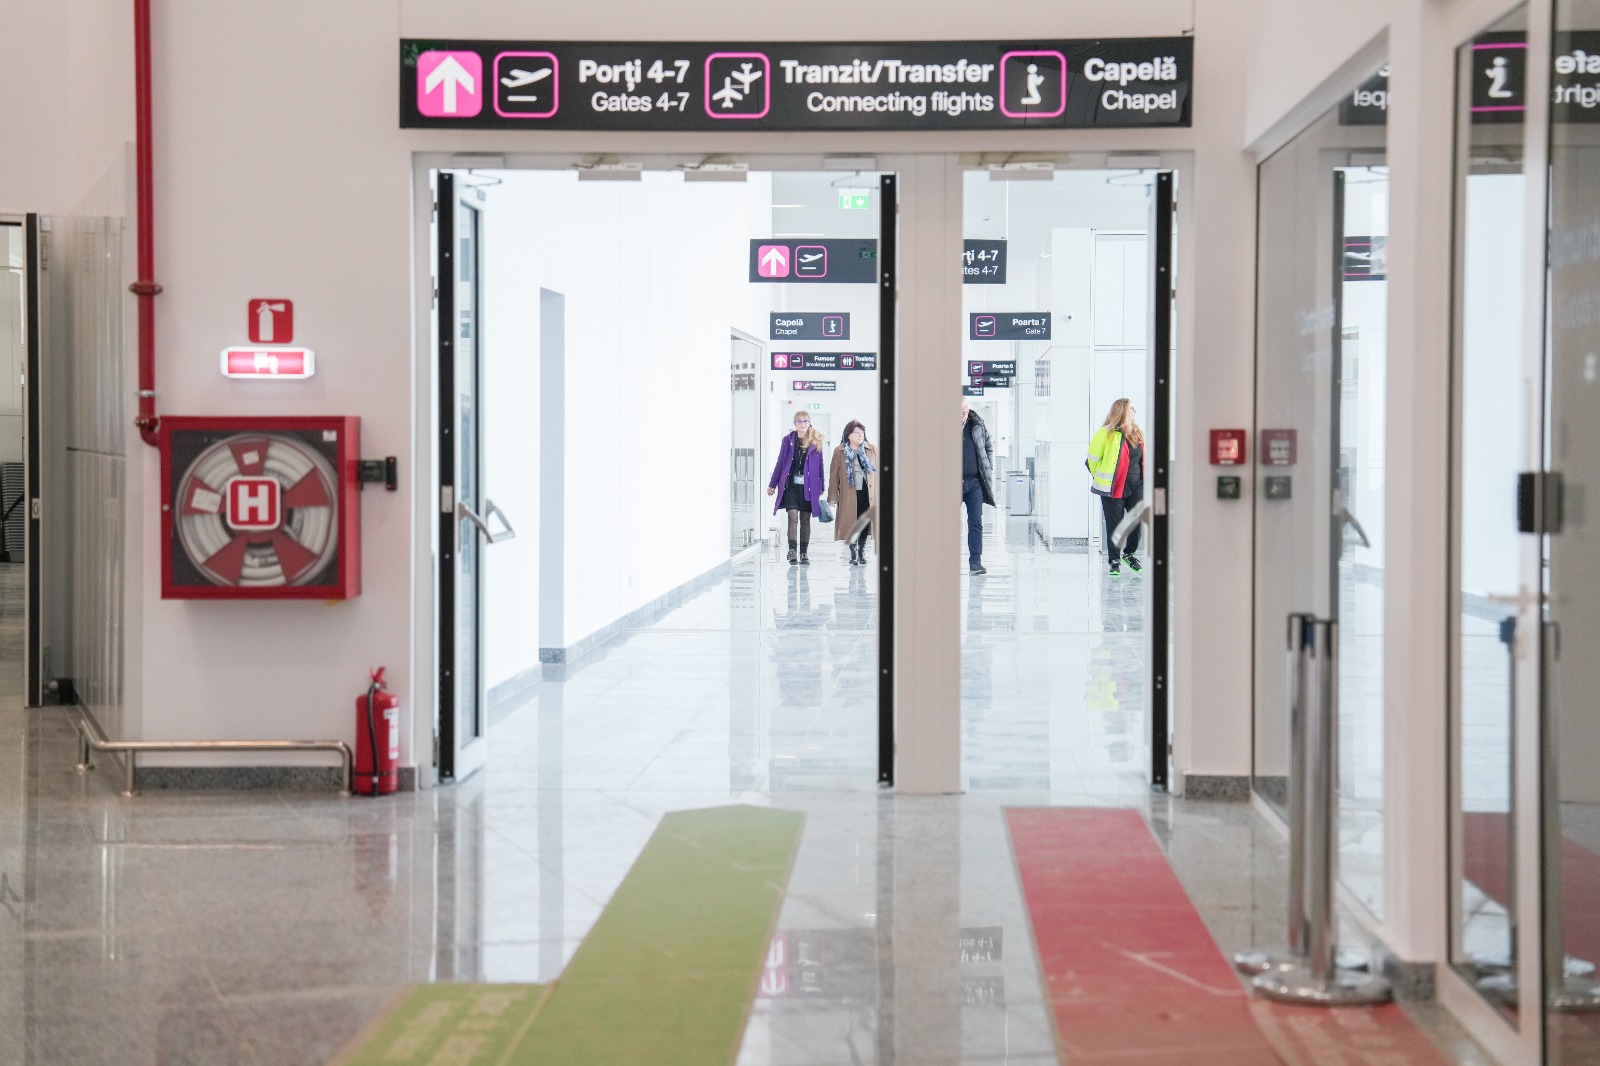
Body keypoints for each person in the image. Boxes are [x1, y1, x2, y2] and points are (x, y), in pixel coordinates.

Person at [1086, 397, 1145, 577]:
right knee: (1114, 524)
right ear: (1122, 411)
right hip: (1114, 487)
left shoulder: (1137, 433)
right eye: (1132, 408)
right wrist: (1101, 478)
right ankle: (1114, 560)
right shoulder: (1106, 433)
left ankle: (1129, 554)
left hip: (1136, 485)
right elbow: (1091, 460)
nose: (1135, 412)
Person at [767, 410, 826, 565]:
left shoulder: (816, 441)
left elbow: (820, 465)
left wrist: (822, 486)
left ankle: (804, 553)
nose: (802, 424)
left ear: (809, 423)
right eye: (799, 421)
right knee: (792, 516)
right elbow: (780, 463)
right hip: (791, 486)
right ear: (795, 424)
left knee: (805, 519)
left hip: (809, 486)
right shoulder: (788, 440)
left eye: (805, 421)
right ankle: (792, 551)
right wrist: (772, 484)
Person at [828, 420, 878, 566]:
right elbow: (834, 475)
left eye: (862, 432)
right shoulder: (839, 451)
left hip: (868, 492)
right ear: (848, 435)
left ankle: (861, 550)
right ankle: (853, 551)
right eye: (856, 433)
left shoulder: (872, 449)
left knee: (864, 521)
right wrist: (832, 497)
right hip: (849, 493)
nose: (860, 435)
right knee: (851, 522)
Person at [960, 400, 995, 575]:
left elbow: (988, 447)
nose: (964, 411)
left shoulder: (977, 425)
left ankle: (975, 562)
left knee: (975, 523)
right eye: (960, 408)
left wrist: (989, 466)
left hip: (974, 483)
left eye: (965, 407)